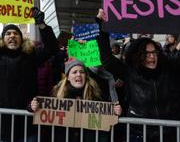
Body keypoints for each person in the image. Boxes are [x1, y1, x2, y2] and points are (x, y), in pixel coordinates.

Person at [95, 9, 180, 142]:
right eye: (146, 53)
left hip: (168, 133)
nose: (152, 56)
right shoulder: (130, 72)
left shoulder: (167, 71)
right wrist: (102, 26)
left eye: (154, 53)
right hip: (138, 134)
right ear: (138, 56)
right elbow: (107, 59)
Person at [0, 7, 59, 142]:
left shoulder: (30, 56)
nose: (12, 36)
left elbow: (52, 48)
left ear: (21, 39)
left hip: (27, 124)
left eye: (16, 33)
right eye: (8, 33)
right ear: (3, 39)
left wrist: (42, 25)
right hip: (2, 126)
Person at [30, 57, 121, 142]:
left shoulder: (96, 95)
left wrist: (115, 112)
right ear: (68, 77)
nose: (79, 74)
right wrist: (33, 107)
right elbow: (42, 110)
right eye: (74, 72)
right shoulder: (57, 96)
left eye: (82, 72)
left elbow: (108, 117)